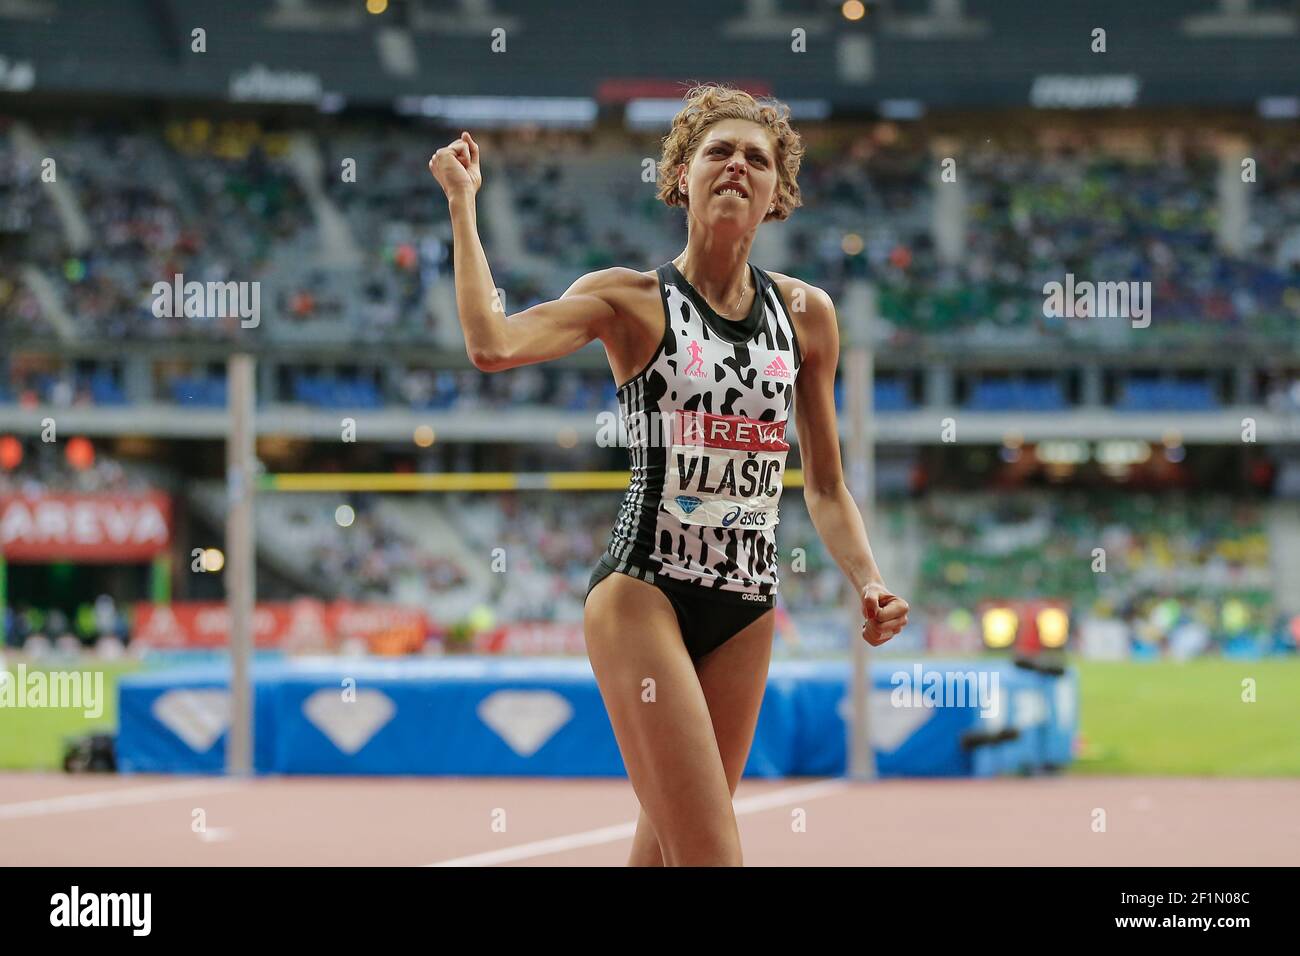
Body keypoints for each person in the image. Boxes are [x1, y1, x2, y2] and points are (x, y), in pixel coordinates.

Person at [429, 84, 909, 866]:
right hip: (644, 589)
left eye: (757, 159)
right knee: (711, 855)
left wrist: (868, 579)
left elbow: (823, 485)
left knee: (664, 855)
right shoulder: (629, 300)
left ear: (777, 193)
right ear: (680, 172)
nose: (737, 167)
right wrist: (462, 202)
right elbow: (492, 345)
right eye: (718, 152)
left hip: (747, 610)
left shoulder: (809, 317)